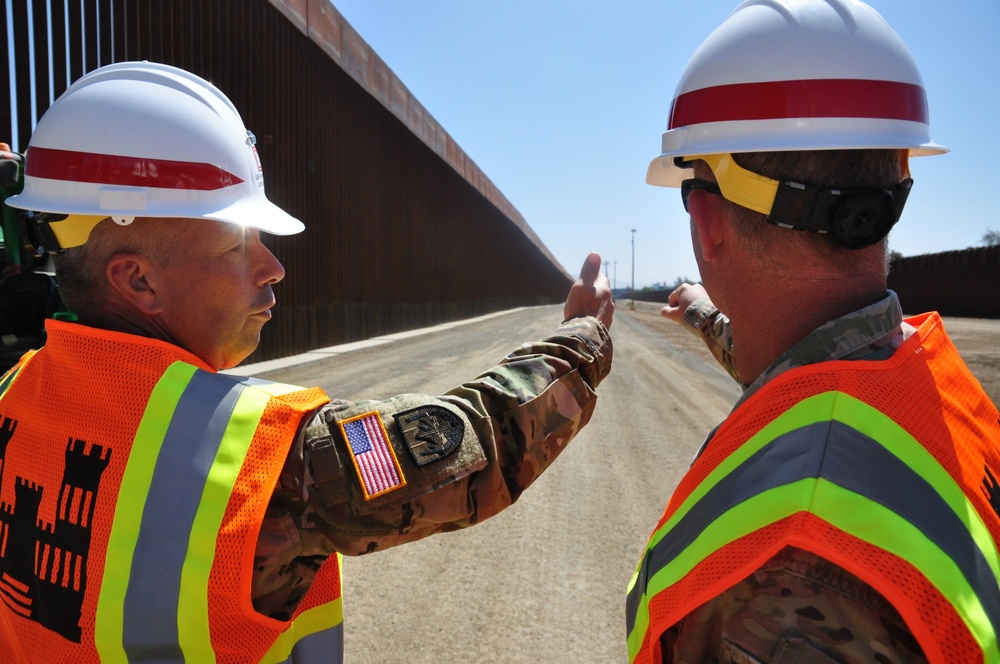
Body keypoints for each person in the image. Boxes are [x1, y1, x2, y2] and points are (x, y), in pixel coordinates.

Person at [0, 61, 614, 662]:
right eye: (238, 245)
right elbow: (480, 441)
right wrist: (582, 337)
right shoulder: (256, 459)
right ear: (137, 280)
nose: (274, 267)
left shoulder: (13, 394)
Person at [625, 1, 1000, 663]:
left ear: (707, 222)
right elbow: (803, 366)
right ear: (894, 187)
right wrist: (704, 316)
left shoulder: (790, 562)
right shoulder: (924, 381)